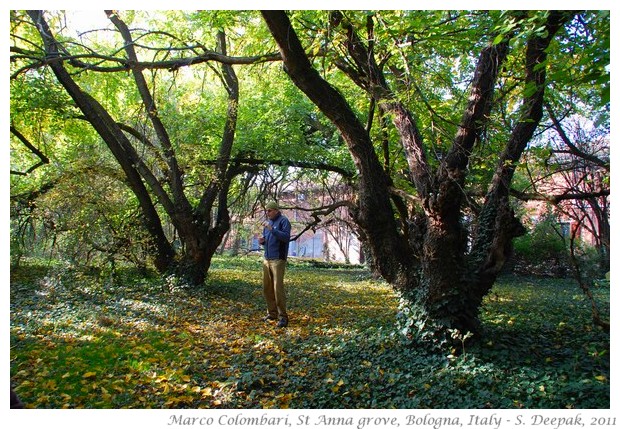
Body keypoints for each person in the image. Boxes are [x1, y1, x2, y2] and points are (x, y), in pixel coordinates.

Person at [258, 201, 291, 328]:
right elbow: (268, 240)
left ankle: (283, 317)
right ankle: (272, 314)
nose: (268, 213)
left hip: (278, 259)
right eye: (266, 211)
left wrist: (272, 230)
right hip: (267, 259)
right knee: (267, 288)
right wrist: (262, 242)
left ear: (276, 210)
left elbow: (286, 237)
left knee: (278, 289)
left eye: (270, 210)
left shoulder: (284, 221)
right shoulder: (268, 223)